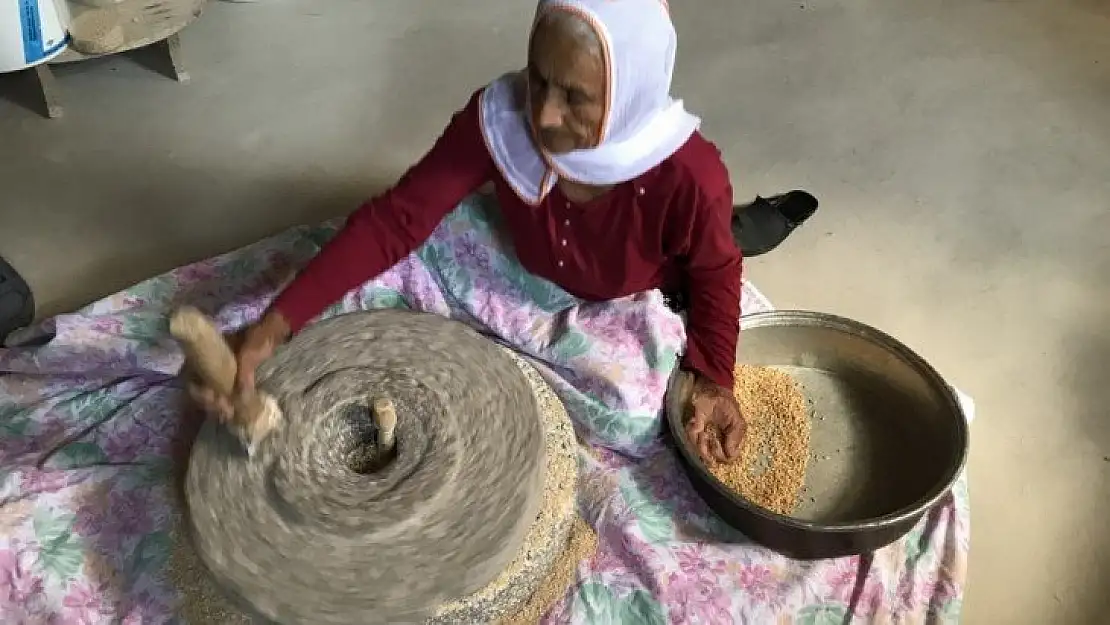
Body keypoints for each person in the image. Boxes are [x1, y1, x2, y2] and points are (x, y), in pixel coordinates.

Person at [192, 0, 746, 465]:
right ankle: (277, 348)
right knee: (364, 271)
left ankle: (505, 354)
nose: (545, 116)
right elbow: (398, 220)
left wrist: (715, 377)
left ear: (630, 94)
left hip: (610, 305)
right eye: (538, 79)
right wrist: (276, 325)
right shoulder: (501, 117)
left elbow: (717, 273)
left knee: (634, 416)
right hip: (514, 266)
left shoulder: (688, 178)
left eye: (574, 96)